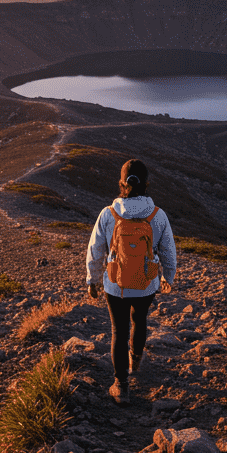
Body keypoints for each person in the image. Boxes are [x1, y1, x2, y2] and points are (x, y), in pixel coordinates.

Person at [85, 158, 177, 405]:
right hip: (147, 282)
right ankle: (135, 360)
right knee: (140, 319)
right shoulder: (158, 216)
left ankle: (121, 386)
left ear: (121, 184)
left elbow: (95, 250)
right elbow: (168, 251)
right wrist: (168, 277)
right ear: (147, 184)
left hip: (115, 285)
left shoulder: (108, 214)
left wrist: (92, 280)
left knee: (119, 331)